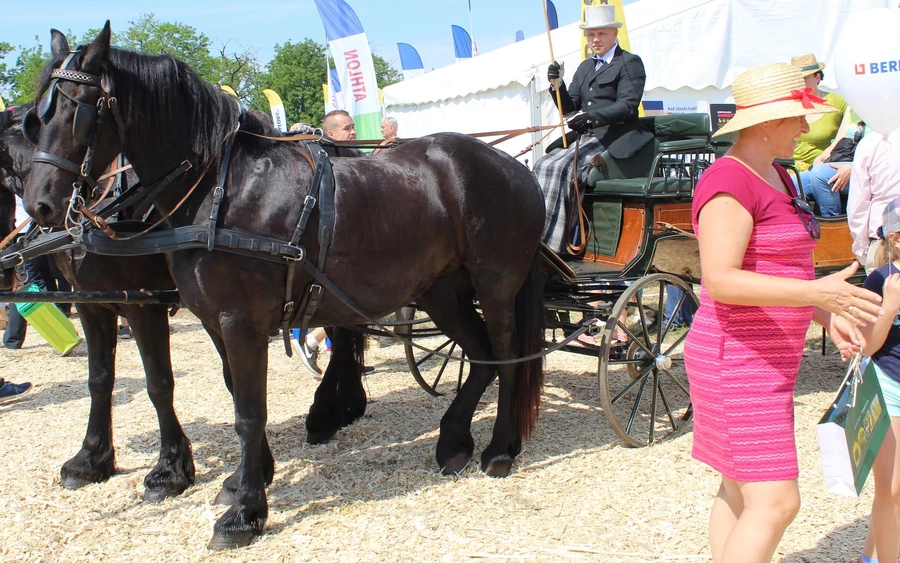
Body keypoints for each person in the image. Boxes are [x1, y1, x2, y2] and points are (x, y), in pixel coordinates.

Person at [684, 62, 884, 563]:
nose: (806, 126)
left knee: (741, 492)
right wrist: (820, 296)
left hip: (757, 360)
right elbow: (721, 280)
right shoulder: (729, 180)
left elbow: (780, 273)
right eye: (798, 117)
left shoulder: (774, 173)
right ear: (766, 122)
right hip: (736, 361)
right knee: (775, 501)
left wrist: (825, 313)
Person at [535, 3, 653, 253]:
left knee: (559, 167)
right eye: (591, 34)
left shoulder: (629, 63)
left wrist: (591, 117)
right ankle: (538, 232)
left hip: (615, 136)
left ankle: (551, 245)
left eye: (601, 34)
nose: (595, 39)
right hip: (586, 136)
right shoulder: (586, 66)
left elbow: (628, 105)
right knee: (542, 164)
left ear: (614, 34)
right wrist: (557, 84)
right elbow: (568, 107)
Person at [858, 197, 900, 563]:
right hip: (889, 384)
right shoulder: (880, 280)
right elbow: (867, 345)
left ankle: (871, 555)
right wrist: (890, 307)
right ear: (897, 238)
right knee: (892, 486)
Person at [790, 54, 854, 216]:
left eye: (804, 78)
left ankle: (832, 226)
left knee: (819, 176)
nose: (799, 83)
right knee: (787, 184)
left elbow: (847, 133)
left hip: (827, 163)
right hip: (792, 165)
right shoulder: (788, 105)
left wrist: (824, 157)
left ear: (817, 77)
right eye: (795, 79)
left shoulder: (837, 102)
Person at [848, 127, 900, 273]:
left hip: (883, 243)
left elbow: (857, 205)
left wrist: (863, 252)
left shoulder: (870, 142)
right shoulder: (871, 142)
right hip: (884, 239)